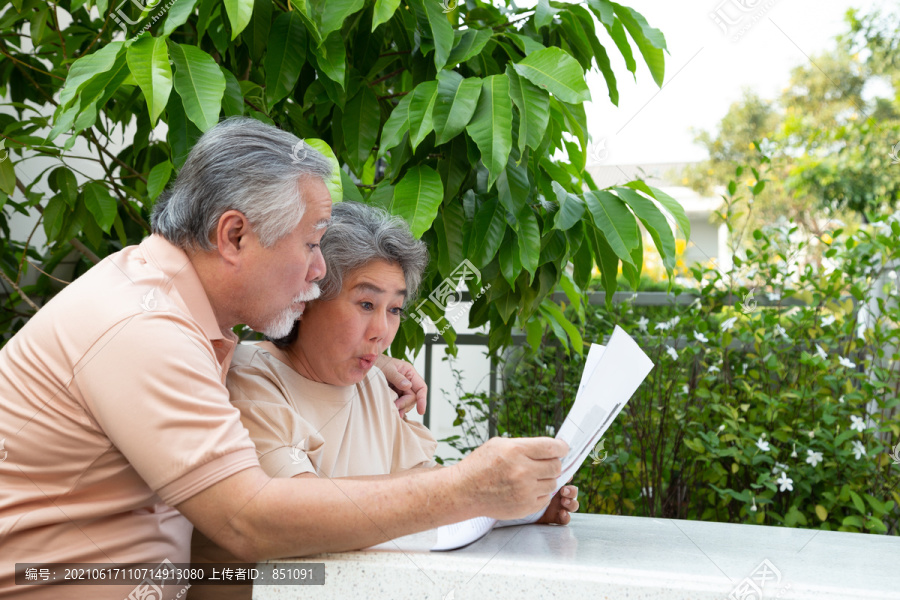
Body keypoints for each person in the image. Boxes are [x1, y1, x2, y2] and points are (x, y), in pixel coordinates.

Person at [0, 118, 568, 599]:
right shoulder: (144, 327)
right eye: (313, 242)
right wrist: (469, 487)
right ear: (234, 236)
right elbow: (248, 519)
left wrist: (370, 363)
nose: (320, 272)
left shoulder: (178, 315)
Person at [189, 201, 579, 598]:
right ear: (305, 299)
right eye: (365, 304)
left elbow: (423, 490)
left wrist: (509, 505)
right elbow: (298, 520)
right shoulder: (250, 379)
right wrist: (467, 490)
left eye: (394, 309)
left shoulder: (377, 386)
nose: (382, 331)